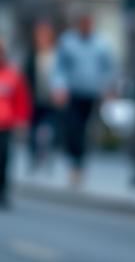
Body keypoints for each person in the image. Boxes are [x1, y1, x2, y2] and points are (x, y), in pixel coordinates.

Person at [51, 13, 116, 186]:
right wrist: (59, 87)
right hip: (73, 92)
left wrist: (108, 89)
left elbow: (108, 68)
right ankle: (74, 161)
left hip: (92, 93)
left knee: (86, 130)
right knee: (73, 128)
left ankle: (80, 164)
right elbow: (60, 67)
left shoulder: (101, 44)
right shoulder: (68, 42)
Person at [0, 38, 32, 208]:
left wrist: (22, 121)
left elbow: (21, 100)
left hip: (5, 125)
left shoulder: (13, 75)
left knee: (4, 159)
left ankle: (3, 192)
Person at [24, 19, 59, 170]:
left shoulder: (57, 55)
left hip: (51, 99)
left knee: (49, 129)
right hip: (34, 98)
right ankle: (34, 158)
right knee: (33, 130)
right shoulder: (31, 55)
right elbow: (26, 78)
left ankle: (48, 155)